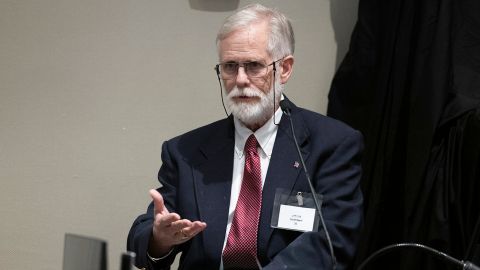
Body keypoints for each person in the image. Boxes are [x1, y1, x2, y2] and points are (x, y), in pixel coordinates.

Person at [127, 3, 363, 270]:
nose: (240, 79)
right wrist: (160, 239)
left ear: (284, 69)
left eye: (253, 66)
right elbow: (143, 233)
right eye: (229, 66)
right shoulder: (187, 150)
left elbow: (334, 238)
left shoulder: (331, 144)